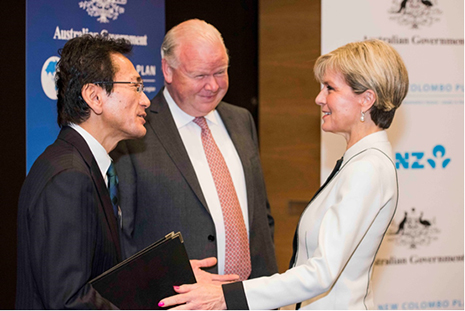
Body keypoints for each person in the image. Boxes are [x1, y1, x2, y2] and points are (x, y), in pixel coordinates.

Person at [158, 39, 409, 310]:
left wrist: (227, 296)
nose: (319, 98)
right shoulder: (359, 161)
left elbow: (321, 273)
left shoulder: (367, 168)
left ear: (366, 99)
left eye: (330, 88)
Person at [111, 19, 278, 280]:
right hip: (182, 299)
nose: (212, 85)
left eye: (220, 72)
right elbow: (124, 238)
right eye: (200, 75)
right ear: (167, 70)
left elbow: (260, 215)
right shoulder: (134, 131)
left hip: (253, 296)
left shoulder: (241, 120)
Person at [16, 34, 151, 309]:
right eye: (136, 86)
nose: (146, 100)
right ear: (94, 96)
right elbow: (69, 301)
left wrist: (162, 274)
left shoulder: (83, 166)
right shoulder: (68, 177)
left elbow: (100, 276)